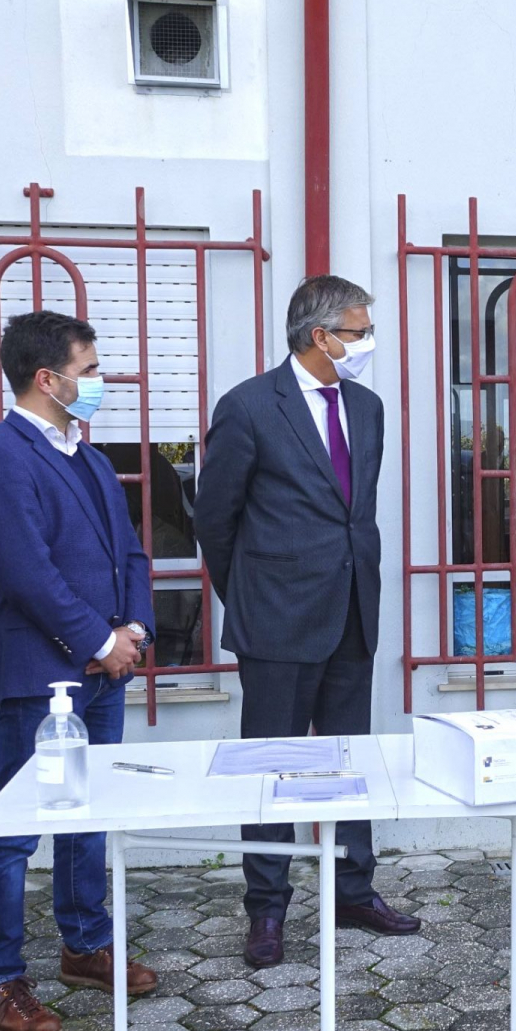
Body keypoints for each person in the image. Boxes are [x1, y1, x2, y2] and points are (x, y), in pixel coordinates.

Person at [195, 274, 419, 969]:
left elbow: (356, 512)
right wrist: (253, 598)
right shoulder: (250, 407)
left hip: (352, 611)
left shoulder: (369, 407)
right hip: (277, 621)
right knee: (273, 768)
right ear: (320, 337)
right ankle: (266, 909)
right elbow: (214, 518)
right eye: (357, 332)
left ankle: (353, 889)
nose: (367, 344)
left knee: (350, 762)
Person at [0, 311, 159, 1031]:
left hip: (107, 666)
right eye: (92, 368)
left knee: (89, 816)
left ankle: (85, 946)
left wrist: (133, 629)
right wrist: (96, 638)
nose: (100, 381)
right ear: (49, 379)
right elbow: (25, 569)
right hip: (42, 674)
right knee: (16, 832)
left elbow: (130, 555)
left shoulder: (91, 456)